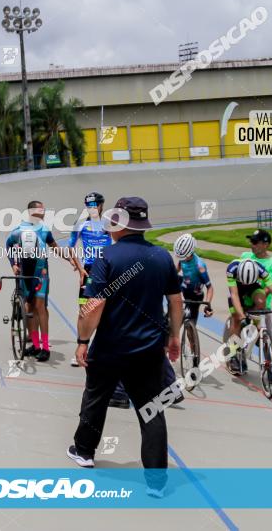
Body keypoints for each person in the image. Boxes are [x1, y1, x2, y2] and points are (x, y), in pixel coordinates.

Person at [68, 197, 181, 499]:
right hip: (149, 350)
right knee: (151, 411)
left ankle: (84, 452)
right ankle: (156, 482)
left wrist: (82, 341)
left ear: (118, 222)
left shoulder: (107, 257)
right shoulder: (161, 256)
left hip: (110, 347)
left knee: (96, 398)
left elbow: (94, 304)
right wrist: (175, 336)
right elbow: (175, 300)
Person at [6, 200, 82, 362]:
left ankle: (45, 347)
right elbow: (8, 246)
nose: (44, 212)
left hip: (41, 272)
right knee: (31, 307)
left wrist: (69, 259)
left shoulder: (44, 229)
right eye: (42, 210)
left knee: (40, 306)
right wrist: (13, 265)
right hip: (25, 272)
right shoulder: (17, 230)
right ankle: (35, 345)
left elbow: (55, 246)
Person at [225, 257, 272, 374]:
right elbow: (234, 295)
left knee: (261, 302)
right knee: (236, 317)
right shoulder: (232, 269)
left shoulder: (261, 270)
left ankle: (256, 326)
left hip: (253, 286)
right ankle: (233, 355)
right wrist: (242, 316)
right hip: (237, 289)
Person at [68, 192, 111, 367]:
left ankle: (101, 350)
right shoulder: (81, 224)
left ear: (101, 205)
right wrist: (79, 270)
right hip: (89, 270)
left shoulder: (109, 224)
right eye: (89, 205)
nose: (92, 208)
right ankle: (81, 347)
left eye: (94, 205)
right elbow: (70, 247)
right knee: (83, 310)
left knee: (106, 311)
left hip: (107, 270)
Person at [173, 233, 214, 324]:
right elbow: (175, 272)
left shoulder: (200, 266)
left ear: (190, 252)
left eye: (183, 257)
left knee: (190, 325)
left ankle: (190, 334)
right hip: (185, 288)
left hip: (195, 296)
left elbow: (210, 288)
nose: (181, 258)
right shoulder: (183, 258)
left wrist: (208, 305)